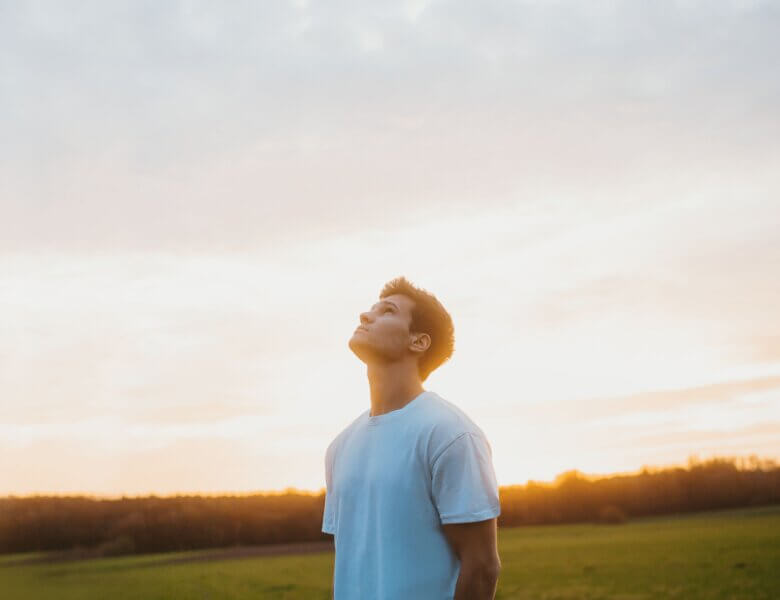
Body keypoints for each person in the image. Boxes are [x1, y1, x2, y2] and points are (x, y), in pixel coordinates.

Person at [322, 276, 501, 599]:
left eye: (387, 311)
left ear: (418, 341)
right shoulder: (340, 447)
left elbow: (482, 568)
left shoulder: (450, 434)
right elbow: (353, 562)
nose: (365, 316)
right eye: (370, 310)